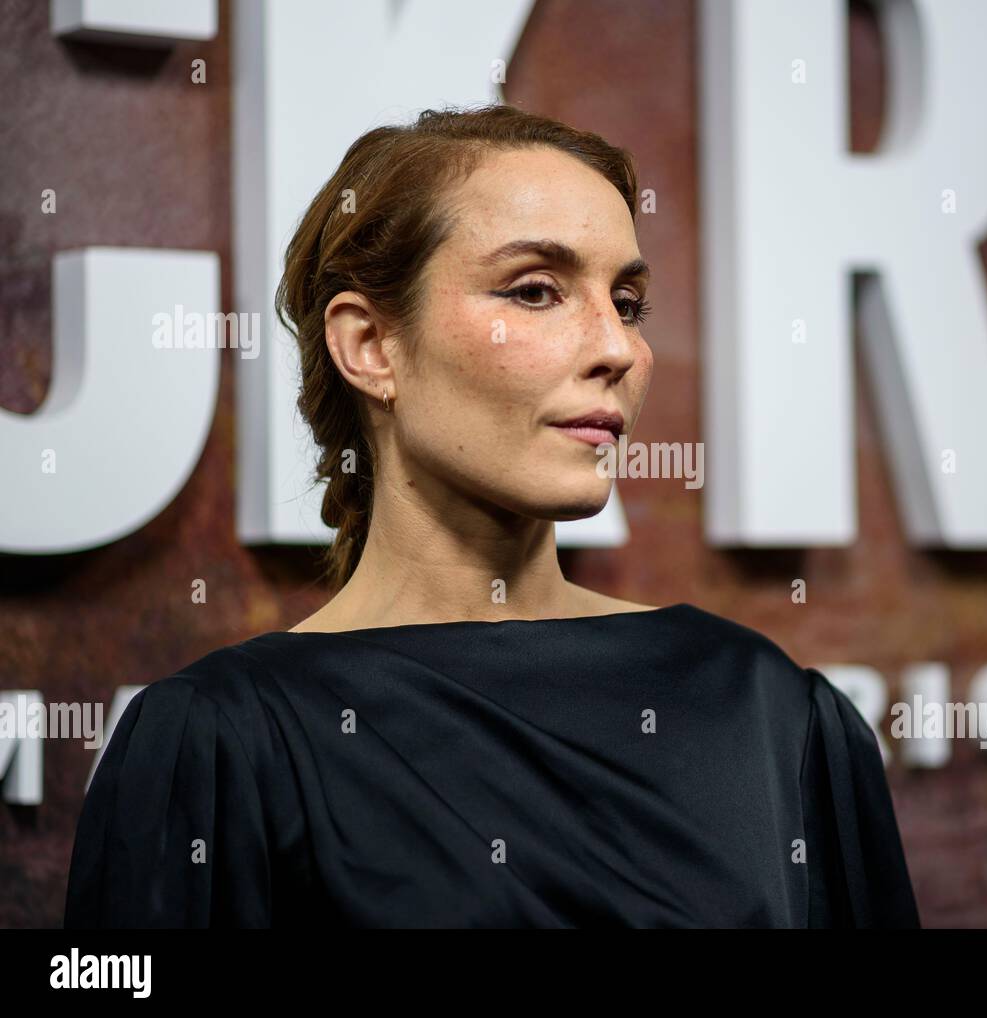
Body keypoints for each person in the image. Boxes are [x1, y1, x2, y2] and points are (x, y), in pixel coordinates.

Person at [63, 102, 920, 928]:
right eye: (537, 291)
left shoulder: (764, 710)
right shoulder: (220, 747)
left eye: (627, 303)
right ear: (369, 345)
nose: (617, 348)